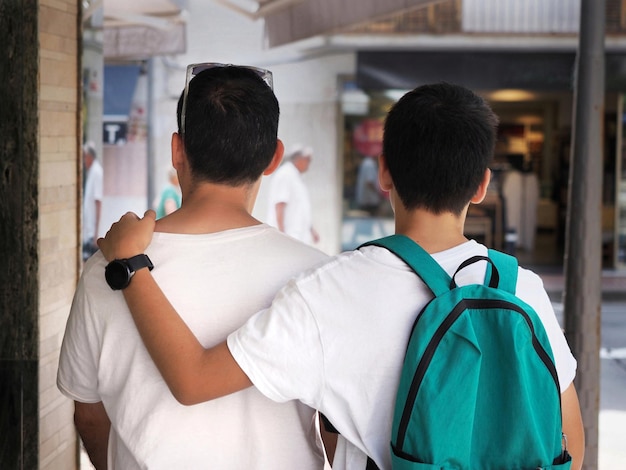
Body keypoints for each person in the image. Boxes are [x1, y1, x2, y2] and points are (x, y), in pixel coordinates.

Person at [97, 83, 585, 470]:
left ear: (384, 172)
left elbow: (194, 380)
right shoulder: (523, 288)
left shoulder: (330, 290)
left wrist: (131, 265)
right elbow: (570, 447)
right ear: (481, 185)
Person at [58, 64, 330, 469]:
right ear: (274, 156)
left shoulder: (108, 266)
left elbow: (88, 412)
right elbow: (331, 426)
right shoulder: (318, 276)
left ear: (177, 150)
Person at [266, 144, 319, 244]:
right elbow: (279, 206)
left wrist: (311, 230)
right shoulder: (286, 174)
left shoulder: (296, 176)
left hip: (296, 237)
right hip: (288, 237)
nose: (309, 164)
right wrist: (282, 235)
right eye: (307, 160)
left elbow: (301, 208)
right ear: (299, 159)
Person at [82, 141, 103, 261]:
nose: (83, 161)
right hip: (88, 231)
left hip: (92, 233)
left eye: (84, 157)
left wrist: (96, 233)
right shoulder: (91, 172)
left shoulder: (97, 172)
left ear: (89, 156)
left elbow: (98, 202)